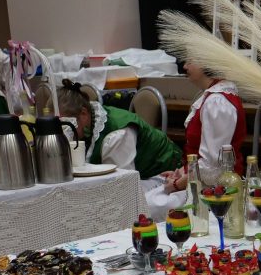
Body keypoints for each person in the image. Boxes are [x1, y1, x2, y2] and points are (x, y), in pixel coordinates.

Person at [56, 79, 184, 221]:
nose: (63, 133)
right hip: (138, 175)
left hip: (163, 173)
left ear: (84, 114)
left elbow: (123, 185)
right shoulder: (88, 124)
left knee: (117, 209)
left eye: (65, 126)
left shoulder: (116, 134)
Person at [163, 60, 247, 199]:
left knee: (146, 204)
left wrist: (177, 184)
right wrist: (181, 172)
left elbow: (212, 167)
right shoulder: (213, 96)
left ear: (206, 63)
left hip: (215, 192)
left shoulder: (217, 102)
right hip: (202, 183)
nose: (184, 66)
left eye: (190, 61)